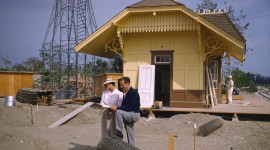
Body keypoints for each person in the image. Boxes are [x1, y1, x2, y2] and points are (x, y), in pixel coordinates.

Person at [111, 77, 140, 146]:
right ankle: (132, 147)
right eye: (120, 85)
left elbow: (131, 107)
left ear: (127, 84)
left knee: (118, 112)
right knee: (130, 132)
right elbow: (125, 106)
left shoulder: (134, 93)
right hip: (129, 114)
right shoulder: (125, 93)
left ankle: (119, 132)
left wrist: (117, 108)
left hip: (134, 114)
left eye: (122, 85)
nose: (121, 87)